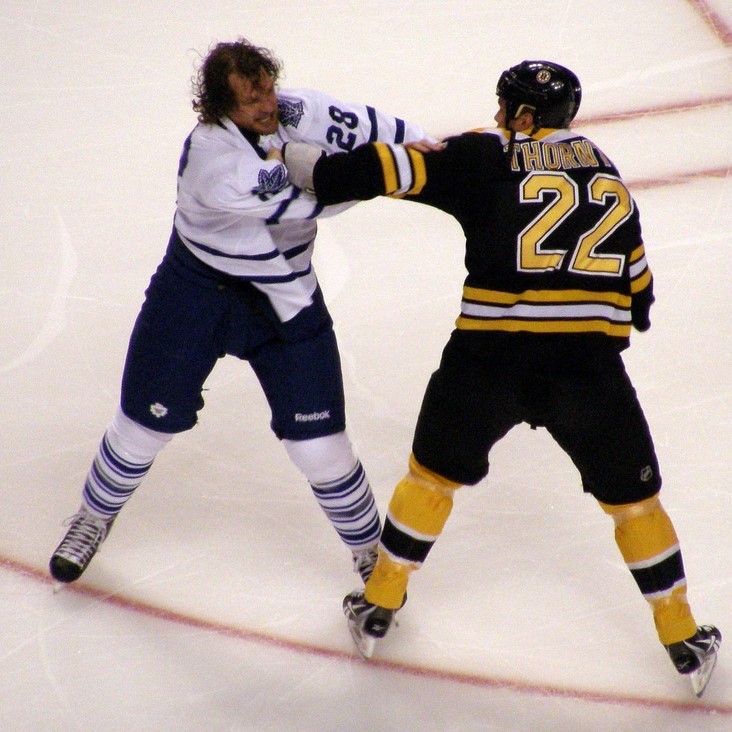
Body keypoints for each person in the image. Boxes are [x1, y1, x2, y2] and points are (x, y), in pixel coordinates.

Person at [281, 60, 721, 695]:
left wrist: (299, 159)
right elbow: (642, 297)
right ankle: (682, 640)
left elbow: (374, 171)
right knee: (634, 504)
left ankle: (379, 605)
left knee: (431, 478)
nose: (495, 117)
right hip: (586, 368)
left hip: (489, 359)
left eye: (501, 108)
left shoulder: (488, 155)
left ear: (521, 115)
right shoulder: (607, 174)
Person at [49, 38, 432, 593]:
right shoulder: (213, 159)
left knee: (322, 446)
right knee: (143, 427)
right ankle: (92, 518)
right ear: (217, 107)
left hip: (285, 294)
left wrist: (426, 150)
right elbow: (309, 200)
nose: (268, 105)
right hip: (197, 296)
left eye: (268, 88)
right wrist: (365, 177)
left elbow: (379, 128)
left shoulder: (295, 110)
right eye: (251, 99)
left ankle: (371, 555)